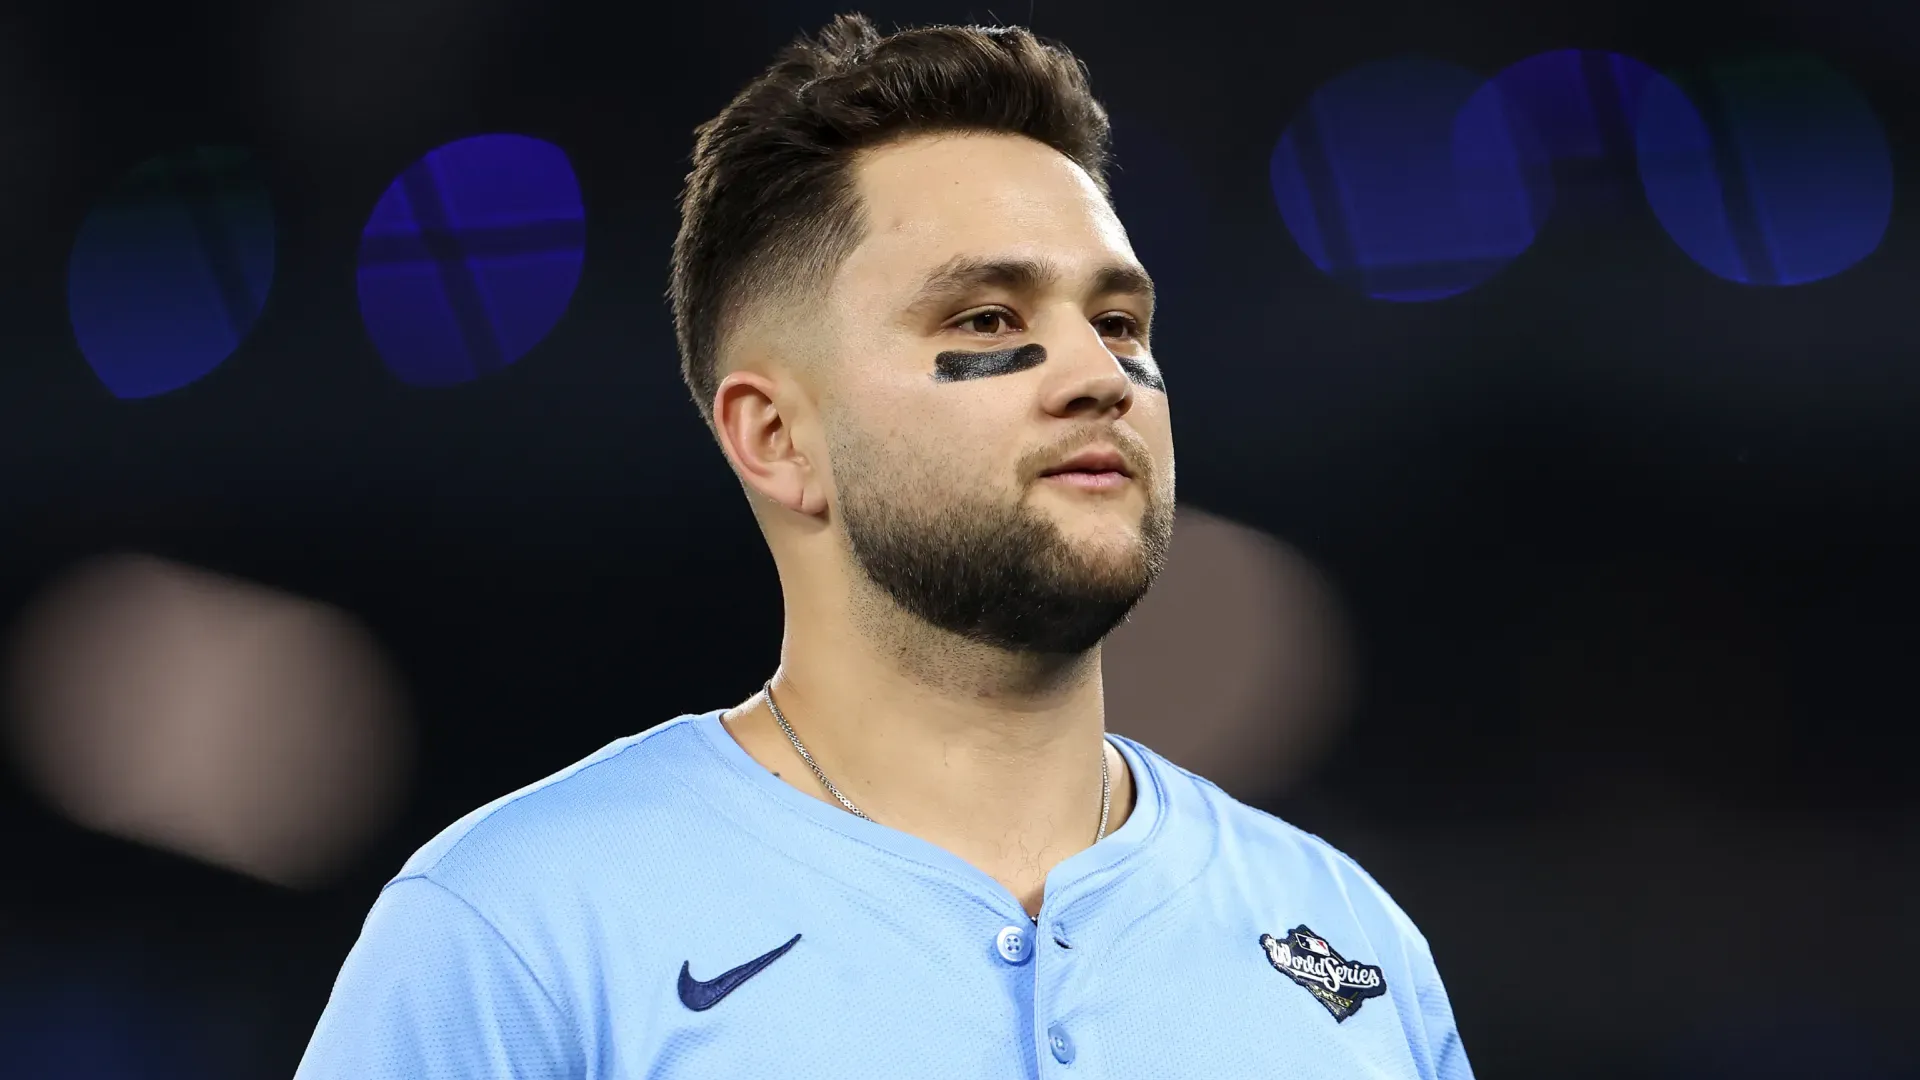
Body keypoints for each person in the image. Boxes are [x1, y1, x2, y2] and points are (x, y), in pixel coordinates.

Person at [296, 13, 1473, 1079]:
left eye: (1118, 323)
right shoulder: (522, 928)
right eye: (987, 318)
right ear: (775, 438)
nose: (1098, 376)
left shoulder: (1347, 942)